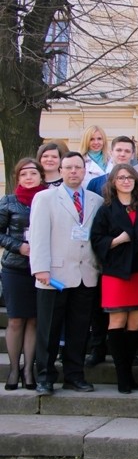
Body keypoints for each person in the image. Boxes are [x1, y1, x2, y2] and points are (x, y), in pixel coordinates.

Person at [30, 151, 103, 396]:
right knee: (49, 329)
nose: (73, 172)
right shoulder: (45, 198)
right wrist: (40, 268)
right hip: (54, 274)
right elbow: (38, 235)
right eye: (68, 168)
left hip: (85, 273)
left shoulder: (95, 200)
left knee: (79, 329)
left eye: (78, 168)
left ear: (85, 171)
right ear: (60, 171)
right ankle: (45, 376)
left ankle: (74, 375)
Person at [90, 164, 138, 394]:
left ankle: (129, 372)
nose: (126, 181)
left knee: (135, 323)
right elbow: (96, 239)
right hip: (115, 272)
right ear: (113, 182)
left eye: (129, 177)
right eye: (121, 178)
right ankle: (122, 377)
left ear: (135, 181)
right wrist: (117, 240)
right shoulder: (106, 209)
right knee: (116, 323)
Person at [0, 158, 46, 390]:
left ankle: (29, 369)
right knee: (17, 319)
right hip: (15, 268)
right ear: (18, 178)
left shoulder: (47, 198)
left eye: (33, 173)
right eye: (24, 174)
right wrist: (18, 246)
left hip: (40, 269)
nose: (29, 177)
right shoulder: (9, 202)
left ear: (41, 176)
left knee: (35, 320)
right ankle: (13, 369)